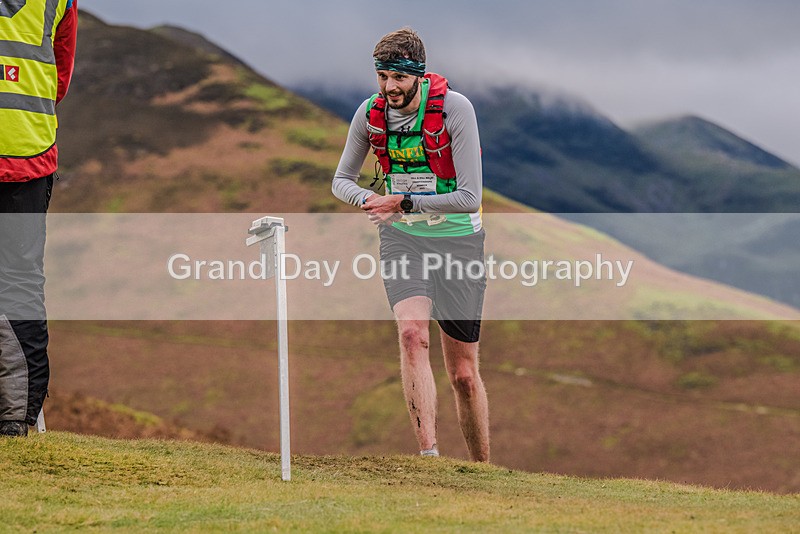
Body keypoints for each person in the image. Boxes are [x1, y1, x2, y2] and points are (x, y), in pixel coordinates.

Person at [332, 28, 489, 461]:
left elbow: (470, 198)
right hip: (403, 238)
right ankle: (430, 458)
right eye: (382, 76)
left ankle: (482, 469)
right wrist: (371, 200)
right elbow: (340, 181)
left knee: (462, 374)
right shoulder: (370, 113)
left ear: (418, 75)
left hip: (459, 241)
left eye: (398, 77)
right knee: (410, 333)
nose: (389, 87)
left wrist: (405, 201)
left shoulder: (456, 109)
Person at [0, 0, 78, 437]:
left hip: (26, 157)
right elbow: (58, 77)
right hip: (27, 151)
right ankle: (15, 419)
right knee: (20, 283)